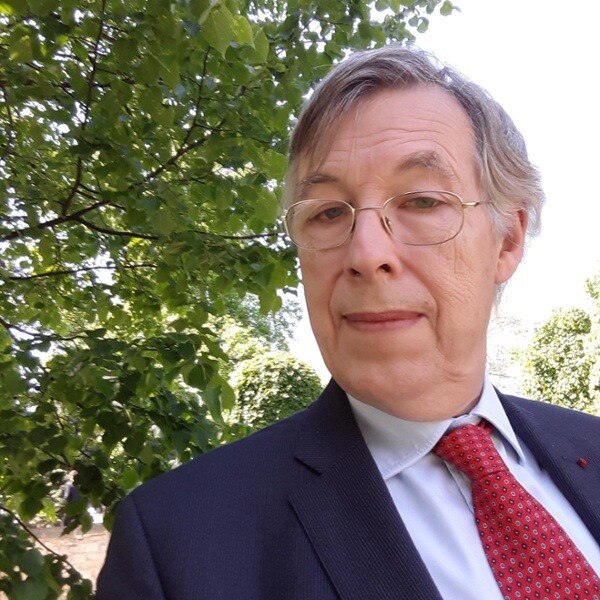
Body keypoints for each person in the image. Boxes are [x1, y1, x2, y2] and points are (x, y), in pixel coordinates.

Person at [97, 45, 600, 599]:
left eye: (422, 201)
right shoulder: (178, 547)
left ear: (507, 240)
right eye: (329, 212)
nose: (365, 252)